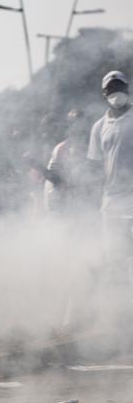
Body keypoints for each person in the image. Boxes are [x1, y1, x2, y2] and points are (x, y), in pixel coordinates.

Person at [87, 71, 133, 287]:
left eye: (119, 87)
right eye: (111, 88)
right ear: (104, 93)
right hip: (112, 201)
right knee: (115, 255)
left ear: (127, 89)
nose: (116, 93)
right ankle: (118, 306)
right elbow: (95, 166)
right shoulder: (98, 127)